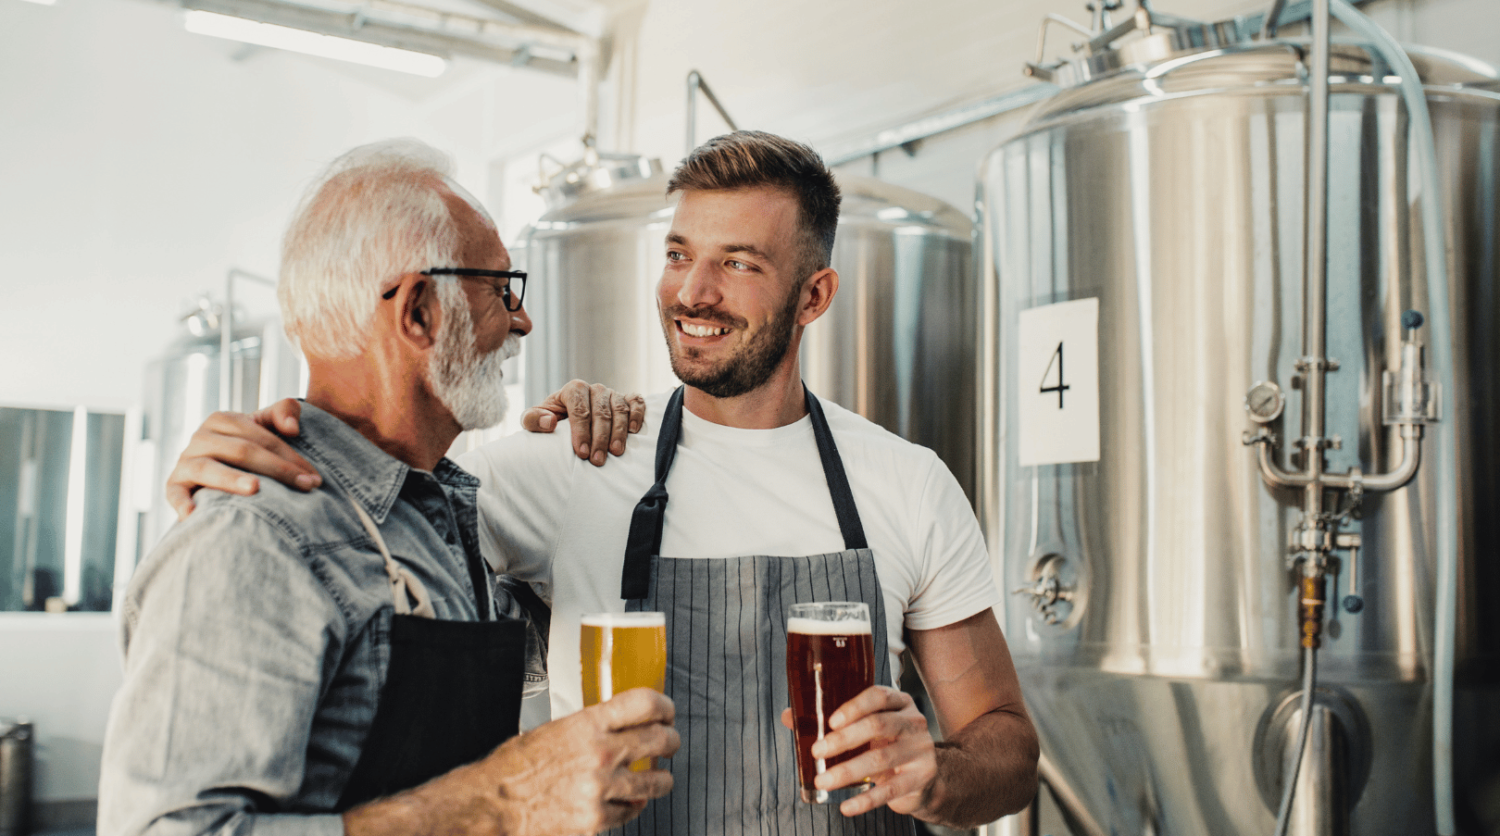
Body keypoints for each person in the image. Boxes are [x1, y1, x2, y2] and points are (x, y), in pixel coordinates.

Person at [168, 131, 1040, 835]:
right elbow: (384, 499)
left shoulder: (908, 483)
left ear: (814, 297)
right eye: (678, 253)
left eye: (739, 262)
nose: (692, 291)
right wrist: (238, 456)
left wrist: (937, 776)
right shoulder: (565, 465)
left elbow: (1007, 749)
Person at [99, 140, 679, 836]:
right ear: (419, 312)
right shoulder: (252, 539)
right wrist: (500, 804)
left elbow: (500, 661)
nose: (521, 320)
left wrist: (597, 473)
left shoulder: (433, 514)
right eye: (502, 289)